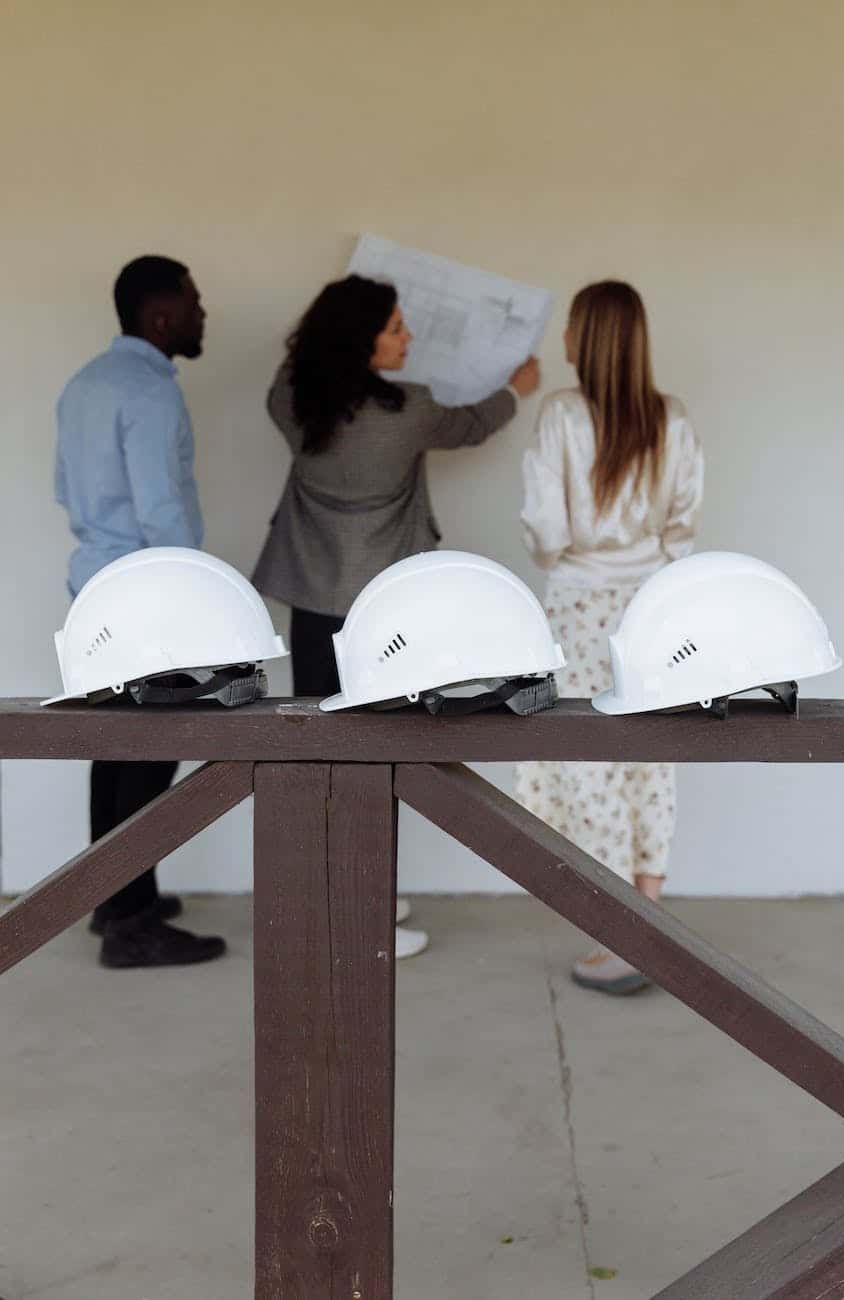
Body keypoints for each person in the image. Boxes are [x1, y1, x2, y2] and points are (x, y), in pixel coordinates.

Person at [253, 273, 540, 958]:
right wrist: (518, 388)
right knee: (374, 755)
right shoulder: (409, 409)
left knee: (317, 748)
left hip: (312, 598)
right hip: (384, 611)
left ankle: (336, 893)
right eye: (394, 327)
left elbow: (295, 374)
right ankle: (360, 911)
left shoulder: (291, 401)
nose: (409, 337)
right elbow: (472, 425)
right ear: (362, 339)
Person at [516, 280, 704, 994]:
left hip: (579, 606)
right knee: (651, 759)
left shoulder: (561, 415)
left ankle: (617, 938)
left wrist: (571, 552)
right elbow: (682, 529)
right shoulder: (672, 419)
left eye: (569, 325)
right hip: (651, 608)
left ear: (584, 337)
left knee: (585, 763)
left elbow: (546, 531)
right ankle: (647, 919)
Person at [54, 255, 226, 968]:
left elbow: (66, 488)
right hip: (151, 594)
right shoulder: (150, 393)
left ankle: (114, 897)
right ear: (161, 317)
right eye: (193, 302)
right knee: (152, 752)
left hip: (94, 587)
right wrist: (195, 594)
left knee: (114, 746)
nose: (202, 313)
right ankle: (131, 922)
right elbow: (161, 509)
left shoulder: (85, 383)